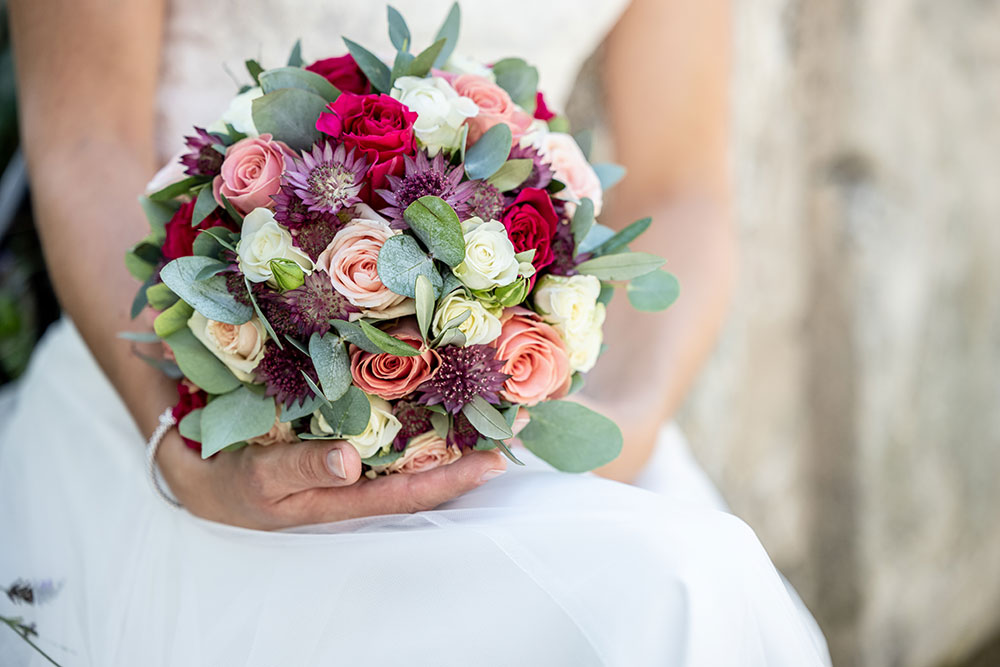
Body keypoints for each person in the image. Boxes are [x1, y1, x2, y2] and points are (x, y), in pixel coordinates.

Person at [0, 0, 830, 664]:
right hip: (178, 373)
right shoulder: (179, 411)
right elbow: (84, 139)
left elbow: (681, 188)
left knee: (683, 584)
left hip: (511, 410)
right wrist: (181, 446)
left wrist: (610, 432)